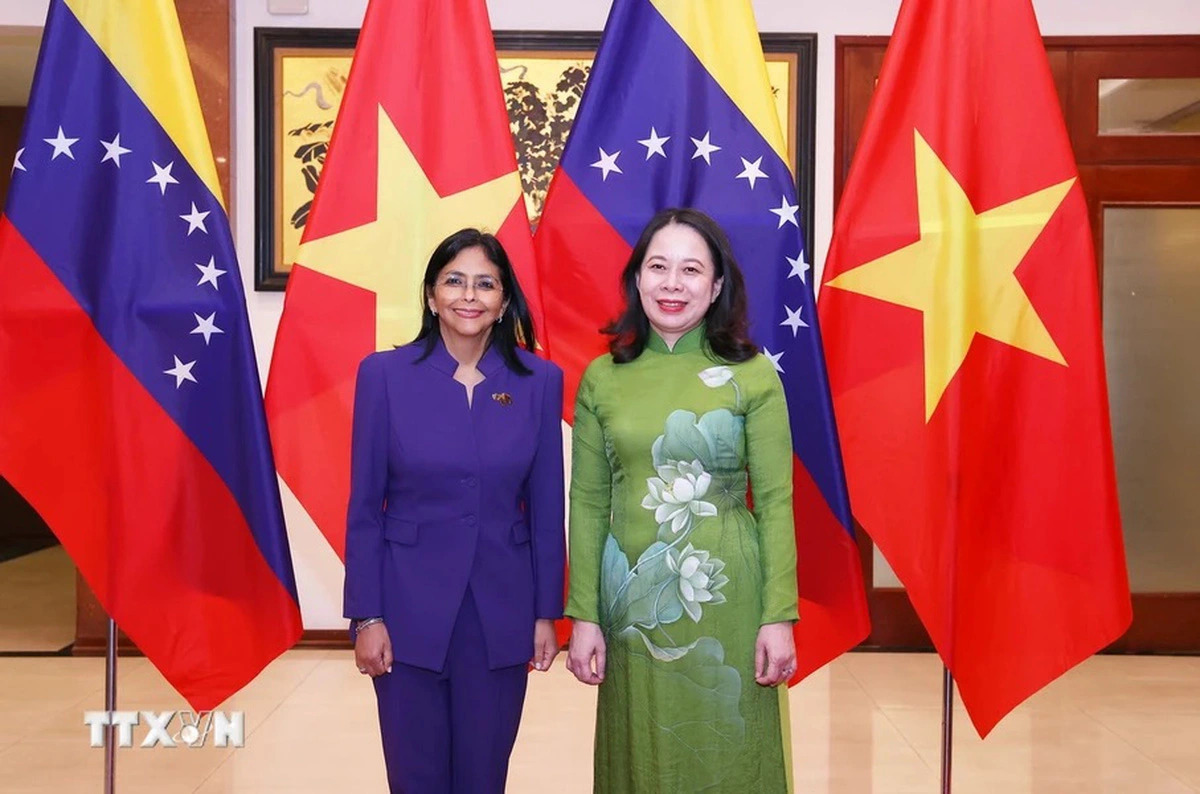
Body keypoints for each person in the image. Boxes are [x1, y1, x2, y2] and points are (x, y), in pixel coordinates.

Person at [565, 208, 799, 792]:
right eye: (658, 267)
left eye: (691, 270)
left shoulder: (753, 376)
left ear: (716, 286)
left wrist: (778, 615)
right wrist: (584, 613)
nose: (673, 284)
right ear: (636, 278)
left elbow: (775, 502)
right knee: (642, 752)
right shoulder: (601, 378)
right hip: (631, 603)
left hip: (729, 598)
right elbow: (588, 503)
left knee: (728, 750)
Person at [344, 228, 565, 793]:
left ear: (504, 301)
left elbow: (546, 507)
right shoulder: (383, 375)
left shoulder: (539, 381)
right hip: (405, 612)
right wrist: (366, 616)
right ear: (431, 295)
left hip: (501, 613)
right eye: (454, 281)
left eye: (486, 284)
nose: (469, 296)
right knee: (414, 777)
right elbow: (365, 507)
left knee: (483, 777)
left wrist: (546, 613)